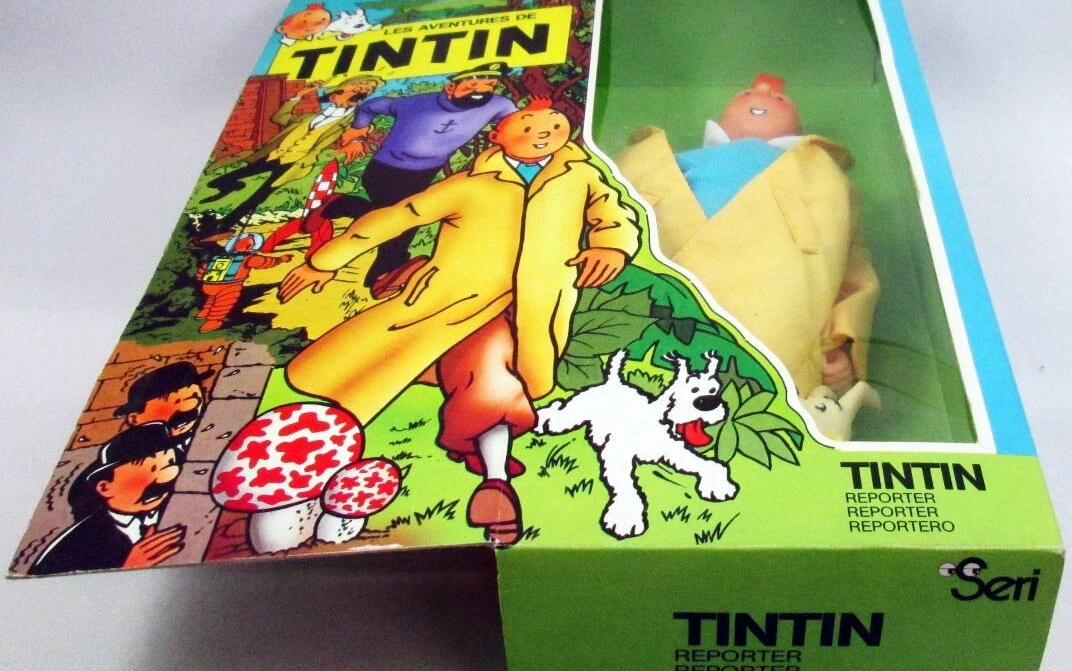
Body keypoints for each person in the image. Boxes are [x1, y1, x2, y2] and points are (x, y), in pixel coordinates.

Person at [277, 98, 640, 545]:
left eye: (553, 123)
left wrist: (611, 245)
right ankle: (492, 481)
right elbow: (398, 216)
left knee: (492, 372)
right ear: (497, 136)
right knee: (460, 374)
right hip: (452, 303)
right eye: (527, 124)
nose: (543, 130)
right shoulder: (471, 185)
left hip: (535, 307)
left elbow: (612, 213)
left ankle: (488, 476)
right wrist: (324, 261)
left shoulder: (580, 175)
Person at [613, 74, 879, 400]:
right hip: (661, 279)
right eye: (748, 92)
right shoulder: (662, 163)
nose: (765, 90)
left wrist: (839, 342)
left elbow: (852, 272)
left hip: (772, 305)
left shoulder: (825, 184)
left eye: (780, 99)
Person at [328, 62, 518, 295]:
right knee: (401, 218)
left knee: (398, 214)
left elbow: (515, 121)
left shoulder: (499, 105)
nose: (480, 92)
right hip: (385, 170)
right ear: (450, 87)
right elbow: (370, 106)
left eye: (489, 85)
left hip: (425, 173)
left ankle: (343, 205)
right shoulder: (416, 103)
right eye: (472, 86)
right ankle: (385, 272)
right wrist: (358, 130)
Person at [201, 75, 383, 233]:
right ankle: (231, 185)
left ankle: (224, 226)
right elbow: (278, 118)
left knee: (258, 197)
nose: (361, 91)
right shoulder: (308, 117)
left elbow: (364, 129)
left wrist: (357, 141)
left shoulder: (353, 120)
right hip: (274, 156)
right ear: (336, 92)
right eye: (356, 87)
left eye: (366, 90)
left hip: (297, 163)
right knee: (220, 181)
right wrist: (298, 95)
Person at [28, 424, 187, 575]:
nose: (168, 476)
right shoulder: (77, 543)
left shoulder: (171, 505)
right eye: (151, 469)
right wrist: (127, 566)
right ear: (105, 487)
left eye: (170, 463)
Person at [115, 361, 212, 460]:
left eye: (195, 397)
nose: (190, 406)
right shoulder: (131, 455)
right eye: (175, 401)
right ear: (135, 419)